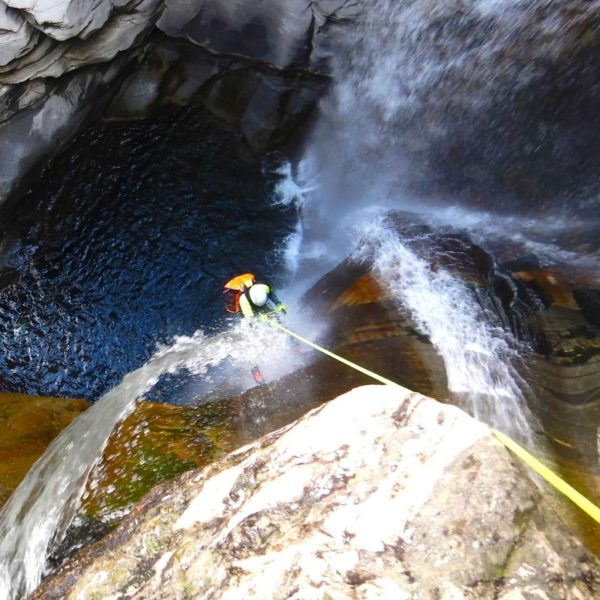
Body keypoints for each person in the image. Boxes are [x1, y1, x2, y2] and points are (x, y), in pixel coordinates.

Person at [223, 273, 287, 384]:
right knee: (251, 343)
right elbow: (250, 322)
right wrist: (259, 320)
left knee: (280, 326)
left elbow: (271, 294)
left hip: (263, 306)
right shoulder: (243, 300)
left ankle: (297, 347)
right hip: (248, 313)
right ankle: (256, 372)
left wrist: (279, 304)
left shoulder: (263, 287)